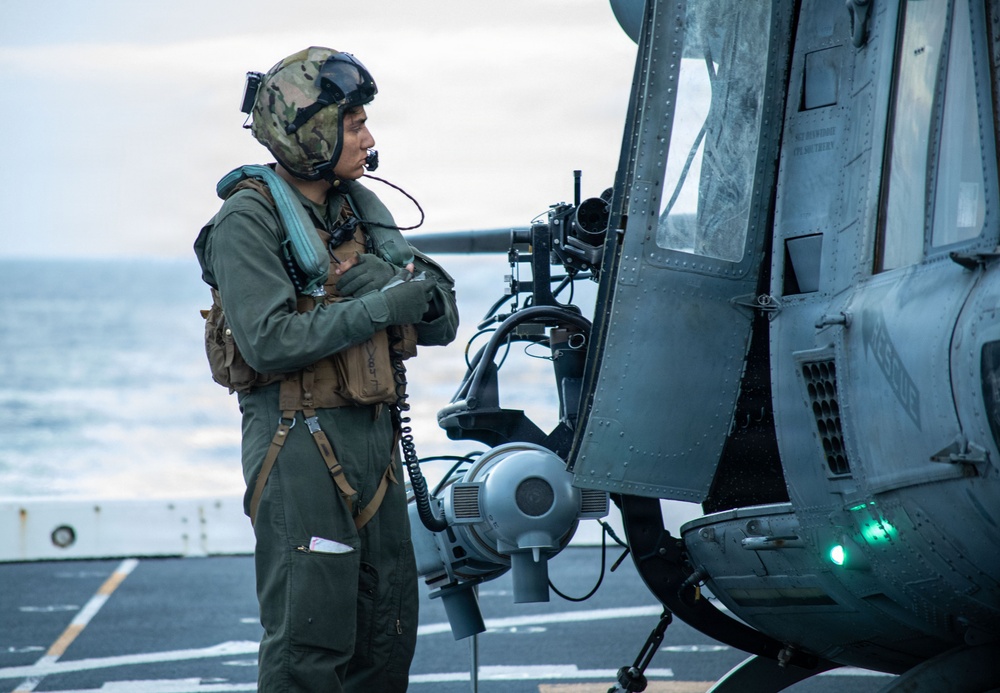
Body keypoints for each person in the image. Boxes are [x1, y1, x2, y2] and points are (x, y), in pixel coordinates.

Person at [194, 46, 459, 692]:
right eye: (354, 121)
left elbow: (441, 318)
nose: (368, 137)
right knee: (309, 647)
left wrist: (394, 287)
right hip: (298, 447)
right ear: (311, 129)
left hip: (373, 446)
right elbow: (269, 342)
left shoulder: (360, 209)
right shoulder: (248, 219)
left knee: (387, 630)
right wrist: (379, 304)